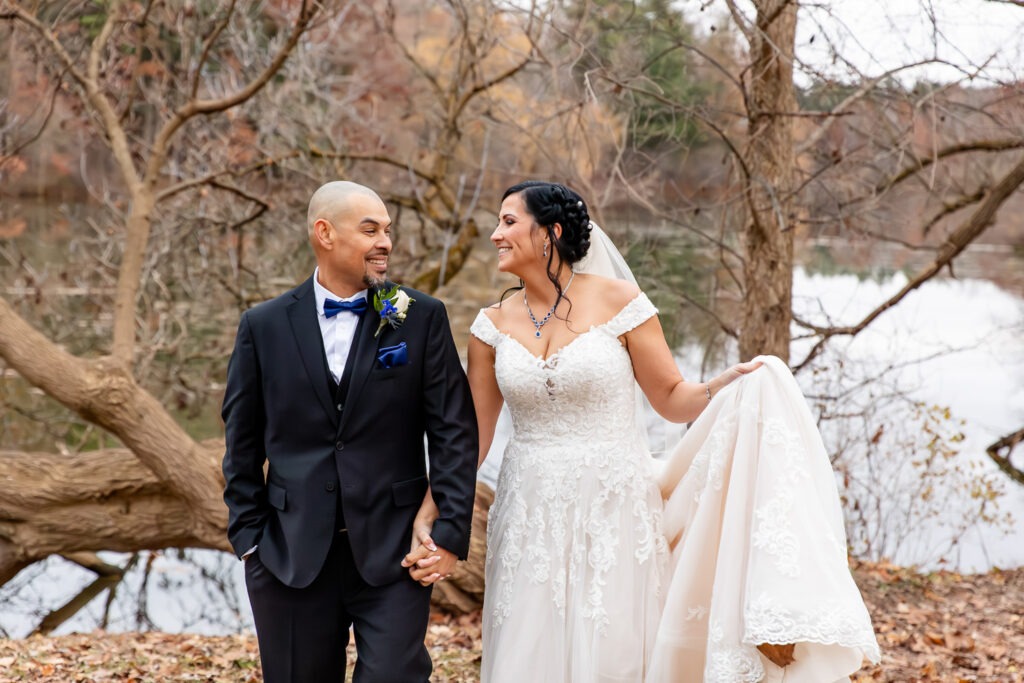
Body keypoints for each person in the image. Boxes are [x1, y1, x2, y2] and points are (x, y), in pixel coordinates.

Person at [405, 180, 880, 682]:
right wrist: (431, 508)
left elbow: (672, 400)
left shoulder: (622, 302)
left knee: (614, 650)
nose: (496, 235)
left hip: (614, 507)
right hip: (529, 512)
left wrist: (719, 387)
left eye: (509, 222)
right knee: (528, 647)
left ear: (551, 233)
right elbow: (473, 438)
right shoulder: (490, 326)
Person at [221, 180, 478, 682]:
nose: (385, 241)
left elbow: (454, 431)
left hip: (396, 549)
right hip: (289, 556)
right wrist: (250, 540)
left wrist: (448, 532)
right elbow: (242, 441)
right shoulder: (264, 325)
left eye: (387, 230)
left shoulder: (420, 318)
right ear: (325, 233)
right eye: (370, 229)